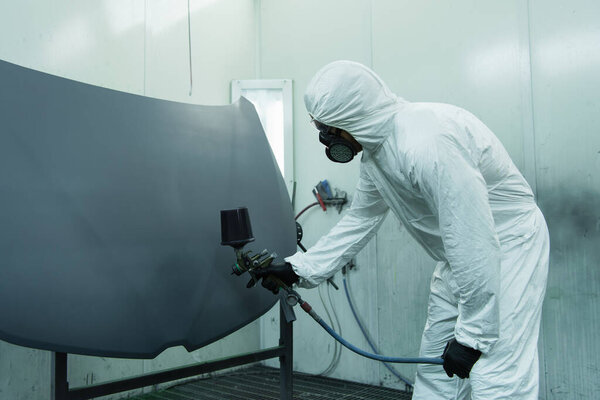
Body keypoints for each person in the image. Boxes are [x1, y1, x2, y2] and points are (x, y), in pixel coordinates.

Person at [254, 60, 549, 399]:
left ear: (354, 118)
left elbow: (474, 238)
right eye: (319, 127)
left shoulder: (428, 143)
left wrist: (473, 336)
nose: (326, 139)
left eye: (331, 130)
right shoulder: (376, 154)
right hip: (462, 260)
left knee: (495, 370)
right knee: (438, 367)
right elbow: (361, 219)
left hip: (508, 248)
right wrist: (298, 268)